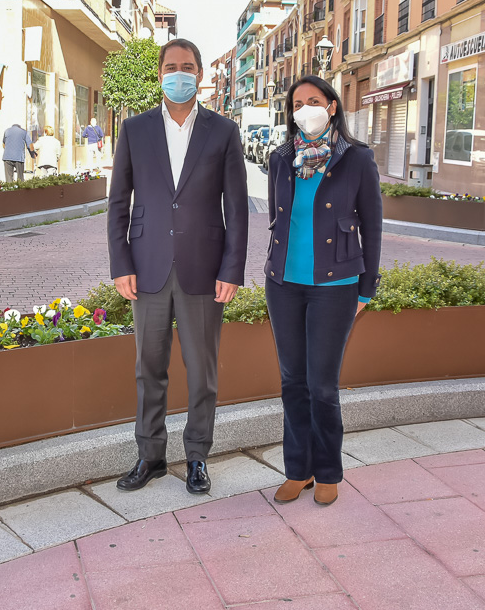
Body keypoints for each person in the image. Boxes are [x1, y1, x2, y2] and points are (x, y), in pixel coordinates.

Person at [107, 38, 248, 496]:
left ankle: (197, 458)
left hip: (204, 269)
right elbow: (118, 203)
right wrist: (120, 263)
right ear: (160, 74)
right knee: (148, 368)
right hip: (146, 267)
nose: (179, 74)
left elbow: (237, 207)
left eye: (187, 67)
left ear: (200, 75)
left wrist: (231, 269)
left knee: (202, 371)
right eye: (171, 67)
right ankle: (150, 456)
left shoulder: (223, 131)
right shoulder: (135, 129)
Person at [264, 75, 382, 507]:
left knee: (322, 385)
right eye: (297, 104)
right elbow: (278, 219)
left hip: (336, 285)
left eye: (313, 101)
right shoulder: (281, 158)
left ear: (332, 106)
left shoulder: (356, 159)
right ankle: (299, 470)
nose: (304, 110)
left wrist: (366, 287)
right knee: (292, 381)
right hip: (283, 284)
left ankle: (328, 470)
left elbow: (373, 225)